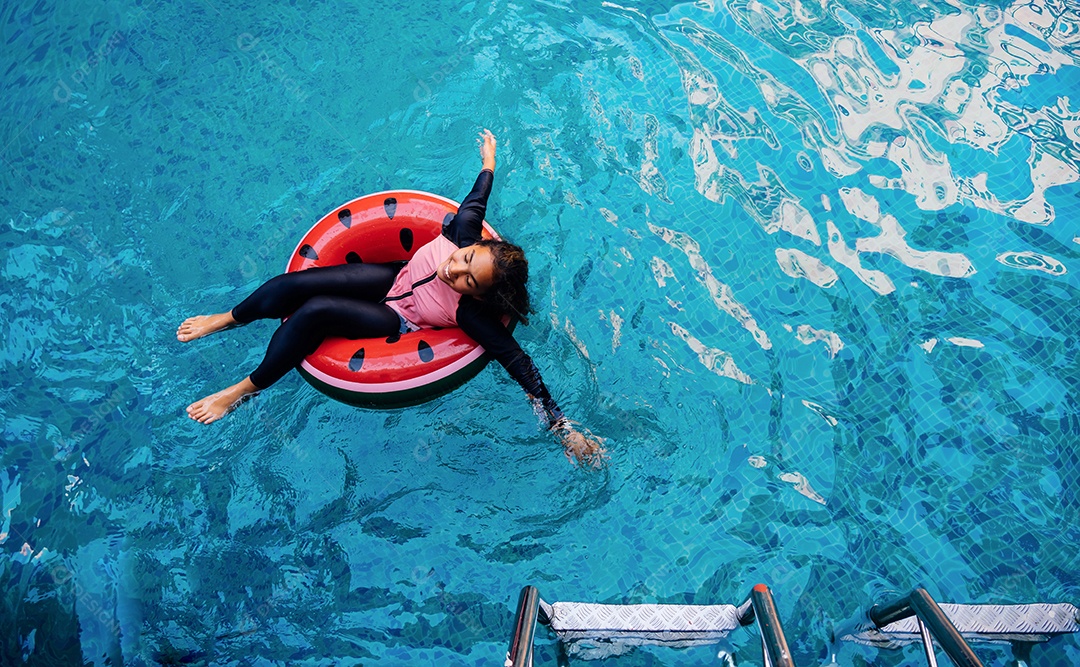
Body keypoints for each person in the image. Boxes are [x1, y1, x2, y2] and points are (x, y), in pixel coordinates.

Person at [177, 130, 605, 466]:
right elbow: (479, 195)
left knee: (316, 311)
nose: (454, 270)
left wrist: (563, 428)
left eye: (468, 281)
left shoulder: (471, 315)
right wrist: (490, 161)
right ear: (472, 244)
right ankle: (229, 318)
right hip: (392, 278)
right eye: (466, 259)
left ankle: (240, 391)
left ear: (477, 295)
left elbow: (520, 365)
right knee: (294, 285)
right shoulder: (463, 229)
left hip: (397, 321)